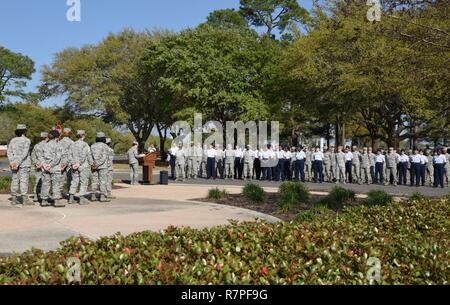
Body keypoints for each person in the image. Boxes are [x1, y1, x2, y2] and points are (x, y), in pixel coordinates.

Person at [7, 124, 33, 206]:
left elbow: (9, 152)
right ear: (25, 131)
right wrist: (17, 163)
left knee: (14, 180)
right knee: (23, 181)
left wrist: (12, 163)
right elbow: (24, 154)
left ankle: (14, 199)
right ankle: (24, 200)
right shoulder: (27, 140)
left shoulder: (12, 140)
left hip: (14, 164)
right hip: (24, 164)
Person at [40, 130, 65, 207]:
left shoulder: (44, 145)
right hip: (55, 167)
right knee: (56, 184)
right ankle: (56, 201)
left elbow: (40, 156)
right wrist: (50, 165)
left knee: (45, 183)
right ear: (57, 137)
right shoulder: (58, 145)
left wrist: (45, 165)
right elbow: (58, 158)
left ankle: (44, 200)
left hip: (45, 168)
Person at [68, 130, 93, 205]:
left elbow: (69, 155)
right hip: (83, 166)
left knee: (74, 181)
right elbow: (85, 155)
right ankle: (82, 199)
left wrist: (73, 164)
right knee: (83, 182)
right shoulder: (85, 144)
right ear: (83, 135)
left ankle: (71, 198)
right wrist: (91, 163)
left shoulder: (73, 144)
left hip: (74, 166)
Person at [91, 132, 111, 203]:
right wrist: (98, 164)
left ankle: (93, 196)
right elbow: (104, 157)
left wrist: (94, 164)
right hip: (103, 166)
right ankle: (103, 196)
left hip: (93, 166)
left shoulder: (92, 146)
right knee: (103, 181)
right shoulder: (105, 146)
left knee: (94, 181)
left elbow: (90, 156)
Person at [31, 132, 48, 203]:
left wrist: (36, 163)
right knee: (46, 181)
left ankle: (35, 195)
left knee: (37, 180)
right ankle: (44, 195)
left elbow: (32, 155)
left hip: (38, 165)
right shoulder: (48, 145)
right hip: (45, 166)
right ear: (47, 137)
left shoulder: (36, 146)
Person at [59, 128, 74, 198]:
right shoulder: (72, 142)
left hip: (60, 162)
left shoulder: (59, 142)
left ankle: (59, 193)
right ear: (70, 133)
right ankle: (70, 195)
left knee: (60, 178)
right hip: (69, 162)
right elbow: (73, 153)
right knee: (70, 179)